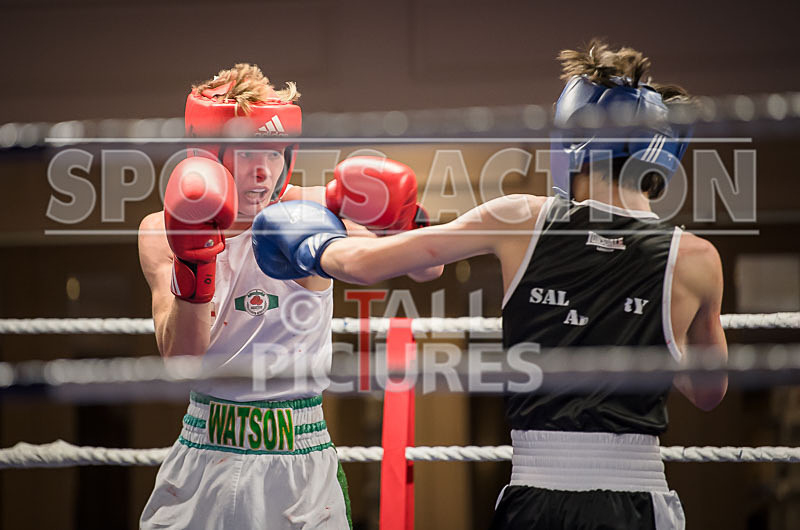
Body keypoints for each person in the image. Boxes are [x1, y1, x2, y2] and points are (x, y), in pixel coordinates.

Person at [252, 41, 728, 529]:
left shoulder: (521, 217)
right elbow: (709, 391)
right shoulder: (696, 259)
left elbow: (366, 265)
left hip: (538, 492)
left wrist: (305, 243)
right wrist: (637, 336)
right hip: (639, 498)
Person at [137, 63, 439, 529]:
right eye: (246, 152)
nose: (263, 170)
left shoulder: (314, 210)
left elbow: (429, 267)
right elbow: (182, 358)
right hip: (204, 451)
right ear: (208, 154)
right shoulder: (162, 229)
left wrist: (404, 216)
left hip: (297, 454)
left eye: (275, 153)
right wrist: (194, 261)